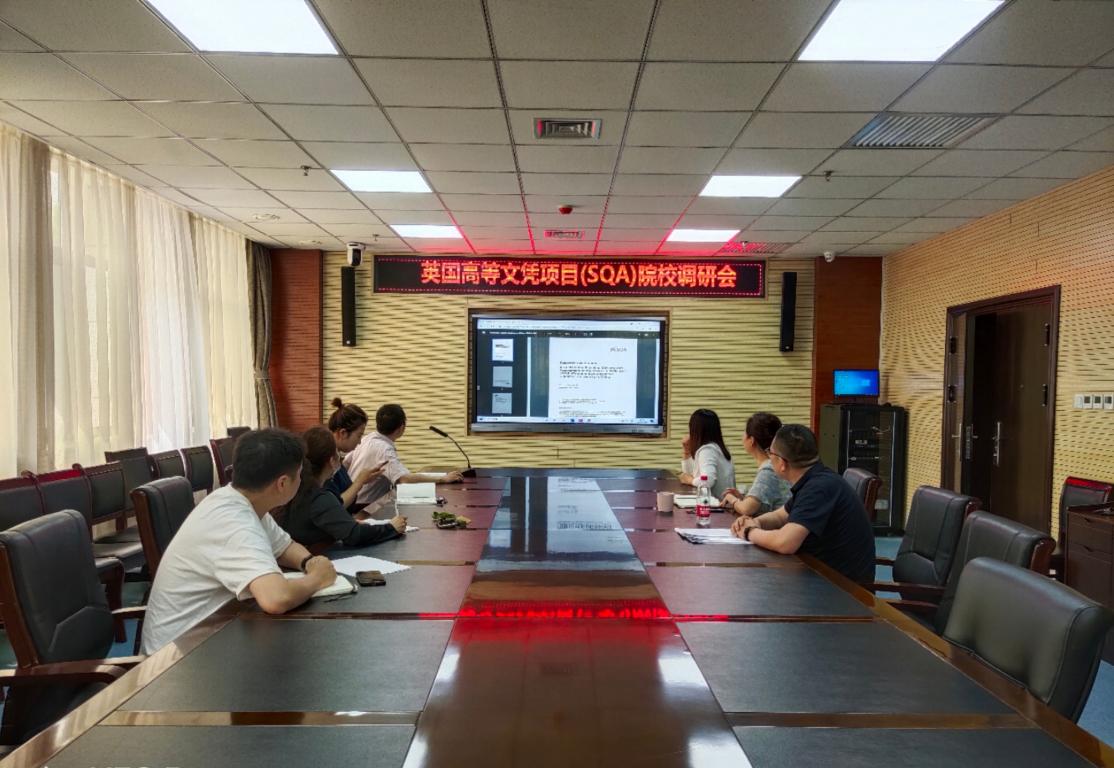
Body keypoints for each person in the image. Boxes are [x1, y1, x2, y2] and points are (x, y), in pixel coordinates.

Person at [141, 429, 338, 654]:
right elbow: (276, 599)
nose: (301, 480)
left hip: (210, 632)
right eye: (299, 474)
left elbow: (284, 547)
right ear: (282, 483)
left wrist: (309, 562)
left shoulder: (241, 500)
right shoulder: (233, 521)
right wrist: (317, 579)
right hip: (173, 658)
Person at [731, 424, 876, 585]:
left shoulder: (819, 488)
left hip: (842, 588)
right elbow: (780, 516)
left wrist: (749, 532)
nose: (769, 457)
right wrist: (756, 522)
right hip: (822, 573)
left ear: (782, 463)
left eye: (770, 453)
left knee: (752, 585)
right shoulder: (814, 479)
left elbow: (785, 543)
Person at [279, 426, 406, 549]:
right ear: (331, 461)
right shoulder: (318, 497)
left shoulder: (295, 489)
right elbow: (355, 535)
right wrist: (391, 527)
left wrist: (344, 522)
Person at [345, 403, 464, 506]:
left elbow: (345, 463)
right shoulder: (384, 449)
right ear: (402, 427)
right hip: (362, 506)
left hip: (350, 500)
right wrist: (443, 479)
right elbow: (404, 479)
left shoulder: (367, 438)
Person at [720, 412, 792, 518]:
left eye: (745, 433)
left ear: (752, 440)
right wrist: (742, 498)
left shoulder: (769, 469)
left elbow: (747, 509)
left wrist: (731, 498)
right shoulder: (778, 463)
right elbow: (761, 504)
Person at [324, 398, 380, 510]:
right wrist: (360, 481)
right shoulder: (326, 461)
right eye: (359, 435)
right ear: (343, 433)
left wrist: (363, 480)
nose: (359, 442)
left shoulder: (336, 457)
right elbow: (334, 506)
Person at [678, 408, 736, 500]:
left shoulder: (707, 450)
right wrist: (686, 451)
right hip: (724, 503)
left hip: (717, 505)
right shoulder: (718, 448)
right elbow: (690, 474)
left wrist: (690, 480)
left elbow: (707, 481)